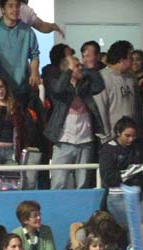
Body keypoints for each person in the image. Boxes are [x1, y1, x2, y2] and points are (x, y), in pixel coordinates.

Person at [45, 54, 105, 190]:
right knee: (58, 183)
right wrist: (69, 72)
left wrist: (89, 69)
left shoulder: (86, 84)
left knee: (82, 184)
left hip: (85, 141)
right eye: (76, 66)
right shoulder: (54, 81)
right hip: (63, 141)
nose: (80, 68)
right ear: (67, 69)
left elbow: (99, 86)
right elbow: (58, 89)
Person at [0, 0, 40, 106]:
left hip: (22, 89)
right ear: (3, 9)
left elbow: (35, 55)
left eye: (17, 6)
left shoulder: (27, 31)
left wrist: (34, 72)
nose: (15, 9)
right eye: (10, 6)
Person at [94, 40, 141, 144]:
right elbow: (101, 110)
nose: (133, 61)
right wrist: (106, 137)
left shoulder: (131, 77)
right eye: (130, 57)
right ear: (121, 60)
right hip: (112, 137)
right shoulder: (102, 78)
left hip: (132, 135)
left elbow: (137, 105)